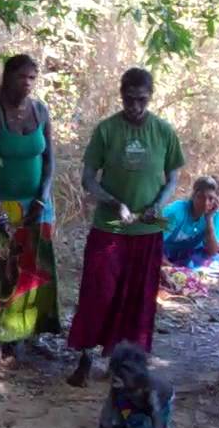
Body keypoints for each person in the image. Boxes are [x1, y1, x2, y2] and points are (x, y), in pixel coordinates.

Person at [67, 67, 185, 387]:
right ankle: (86, 357)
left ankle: (125, 364)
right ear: (121, 95)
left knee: (139, 297)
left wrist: (159, 203)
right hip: (110, 225)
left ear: (151, 96)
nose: (134, 105)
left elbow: (174, 174)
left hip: (149, 225)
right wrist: (113, 202)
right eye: (128, 99)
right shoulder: (107, 130)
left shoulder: (163, 131)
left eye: (141, 99)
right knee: (99, 291)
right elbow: (89, 178)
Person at [0, 54, 59, 365]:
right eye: (20, 77)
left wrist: (43, 196)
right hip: (3, 203)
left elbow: (51, 158)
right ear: (7, 78)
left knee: (35, 269)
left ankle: (25, 337)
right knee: (2, 270)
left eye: (31, 78)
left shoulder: (40, 110)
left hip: (38, 203)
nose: (26, 83)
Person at [158, 176, 219, 298]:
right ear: (193, 196)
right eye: (200, 197)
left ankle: (186, 272)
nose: (206, 203)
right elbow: (154, 243)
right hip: (163, 253)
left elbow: (212, 251)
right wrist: (171, 266)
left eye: (211, 198)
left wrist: (209, 220)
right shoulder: (177, 211)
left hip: (187, 255)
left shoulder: (216, 215)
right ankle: (183, 272)